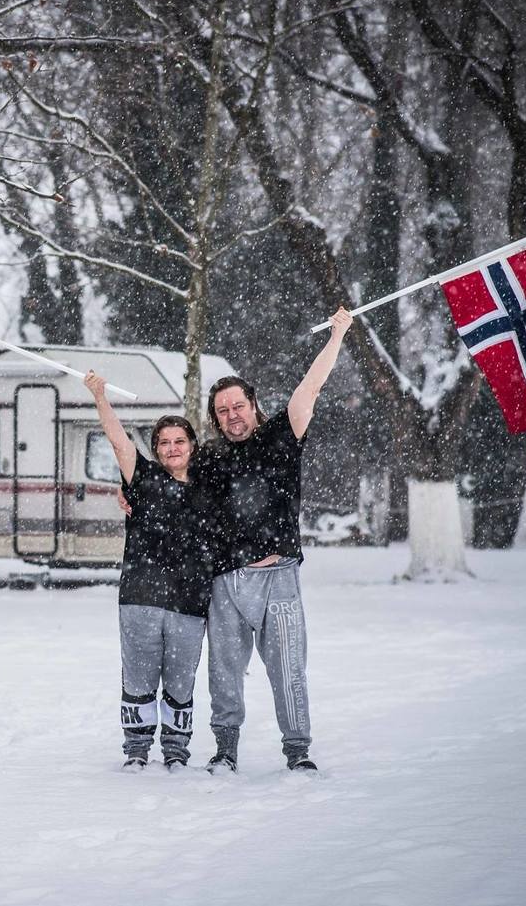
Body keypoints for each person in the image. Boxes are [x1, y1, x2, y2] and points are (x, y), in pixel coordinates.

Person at [204, 306, 353, 775]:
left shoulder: (280, 436)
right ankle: (225, 750)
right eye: (223, 410)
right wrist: (129, 498)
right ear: (215, 418)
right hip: (227, 583)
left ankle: (297, 751)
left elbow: (311, 387)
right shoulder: (208, 460)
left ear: (253, 404)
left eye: (238, 406)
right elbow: (168, 485)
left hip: (279, 578)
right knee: (224, 673)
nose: (232, 415)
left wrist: (337, 336)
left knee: (289, 670)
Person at [84, 369, 220, 773]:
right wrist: (100, 396)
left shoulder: (210, 485)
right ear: (156, 449)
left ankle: (176, 750)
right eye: (164, 442)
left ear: (192, 446)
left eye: (180, 441)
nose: (172, 448)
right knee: (139, 680)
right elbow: (117, 440)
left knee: (180, 682)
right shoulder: (142, 478)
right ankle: (137, 749)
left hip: (189, 602)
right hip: (140, 599)